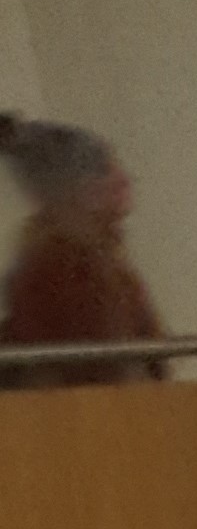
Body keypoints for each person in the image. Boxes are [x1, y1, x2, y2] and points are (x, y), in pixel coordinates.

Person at [0, 115, 156, 385]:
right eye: (107, 170)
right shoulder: (61, 267)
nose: (125, 181)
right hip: (91, 414)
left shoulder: (100, 263)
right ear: (85, 190)